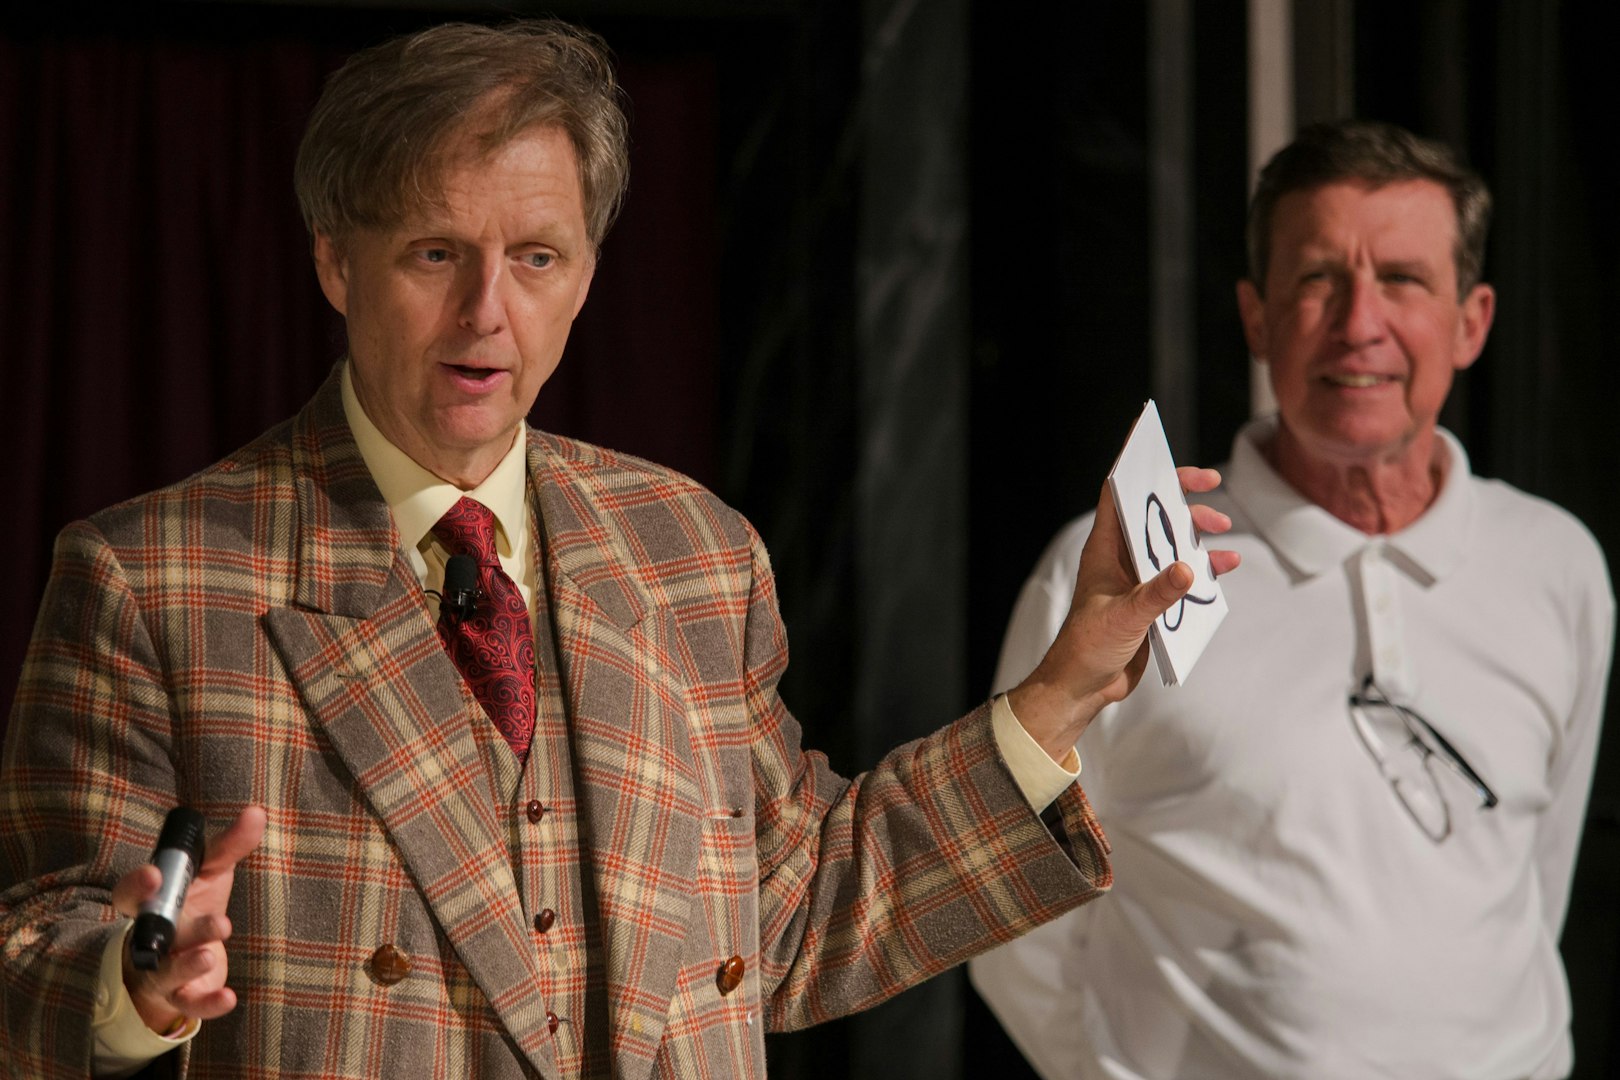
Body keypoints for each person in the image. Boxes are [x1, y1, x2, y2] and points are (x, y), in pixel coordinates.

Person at [0, 20, 1237, 1079]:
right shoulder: (150, 581)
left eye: (535, 258)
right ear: (335, 261)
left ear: (586, 276)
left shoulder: (693, 553)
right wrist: (131, 987)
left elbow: (799, 920)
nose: (488, 311)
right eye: (435, 254)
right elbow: (36, 970)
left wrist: (1066, 690)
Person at [969, 118, 1615, 1079]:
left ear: (1472, 322)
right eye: (1318, 279)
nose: (1359, 324)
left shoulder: (1556, 563)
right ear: (1256, 316)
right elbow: (998, 897)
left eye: (1402, 279)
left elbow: (1534, 879)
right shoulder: (1120, 569)